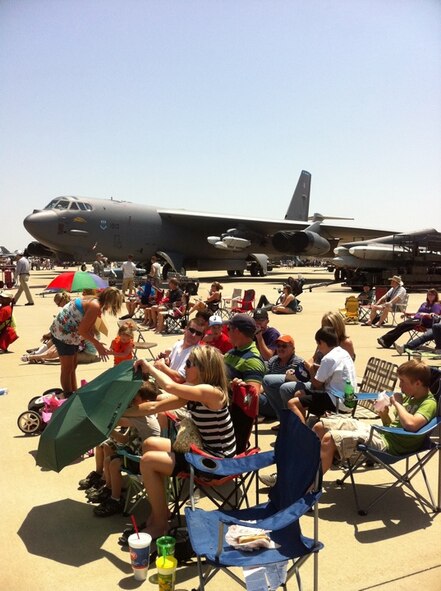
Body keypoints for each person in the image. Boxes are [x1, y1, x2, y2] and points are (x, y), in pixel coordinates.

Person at [123, 345, 236, 539]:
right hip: (203, 450)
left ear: (204, 369)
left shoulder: (210, 392)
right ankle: (161, 511)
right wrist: (117, 415)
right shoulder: (195, 392)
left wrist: (151, 369)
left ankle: (160, 525)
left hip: (216, 461)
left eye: (189, 363)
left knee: (148, 461)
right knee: (150, 443)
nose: (185, 367)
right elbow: (155, 405)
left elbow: (170, 387)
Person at [313, 360, 437, 475]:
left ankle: (311, 486)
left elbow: (411, 425)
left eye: (403, 381)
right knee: (320, 426)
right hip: (380, 434)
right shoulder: (410, 397)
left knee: (330, 438)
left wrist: (397, 403)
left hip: (388, 447)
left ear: (418, 383)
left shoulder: (428, 403)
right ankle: (307, 470)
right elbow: (392, 426)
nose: (400, 385)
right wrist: (383, 414)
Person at [82, 382, 161, 516]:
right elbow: (125, 439)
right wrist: (110, 432)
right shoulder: (138, 415)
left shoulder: (145, 418)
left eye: (134, 399)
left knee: (114, 463)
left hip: (145, 460)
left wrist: (99, 415)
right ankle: (109, 487)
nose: (130, 403)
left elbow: (117, 421)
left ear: (146, 402)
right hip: (134, 453)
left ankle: (116, 500)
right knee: (108, 449)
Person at [50, 286, 123, 396]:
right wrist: (97, 345)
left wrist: (96, 341)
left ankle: (74, 392)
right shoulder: (95, 306)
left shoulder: (93, 300)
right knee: (67, 368)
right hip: (64, 334)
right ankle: (68, 395)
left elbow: (86, 325)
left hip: (68, 332)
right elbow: (82, 331)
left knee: (73, 365)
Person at [287, 326, 356, 424]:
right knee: (299, 394)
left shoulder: (329, 358)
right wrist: (316, 367)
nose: (318, 349)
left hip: (337, 401)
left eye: (318, 344)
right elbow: (334, 370)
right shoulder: (342, 353)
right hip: (348, 400)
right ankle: (304, 425)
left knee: (292, 403)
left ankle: (302, 434)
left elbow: (317, 384)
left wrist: (310, 369)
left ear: (322, 343)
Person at [258, 335, 305, 423]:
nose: (280, 348)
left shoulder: (297, 362)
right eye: (278, 346)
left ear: (292, 348)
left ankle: (282, 419)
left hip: (284, 401)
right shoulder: (273, 360)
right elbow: (263, 379)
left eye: (284, 346)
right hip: (270, 399)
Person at [153, 318, 206, 383]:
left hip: (179, 390)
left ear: (201, 337)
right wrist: (165, 360)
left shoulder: (196, 353)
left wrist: (161, 366)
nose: (193, 335)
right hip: (169, 384)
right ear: (185, 329)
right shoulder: (179, 343)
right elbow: (171, 364)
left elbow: (179, 378)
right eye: (192, 330)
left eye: (198, 333)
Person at [224, 313, 266, 395]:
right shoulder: (231, 353)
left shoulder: (252, 360)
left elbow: (252, 397)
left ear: (236, 331)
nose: (227, 333)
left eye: (228, 329)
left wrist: (239, 389)